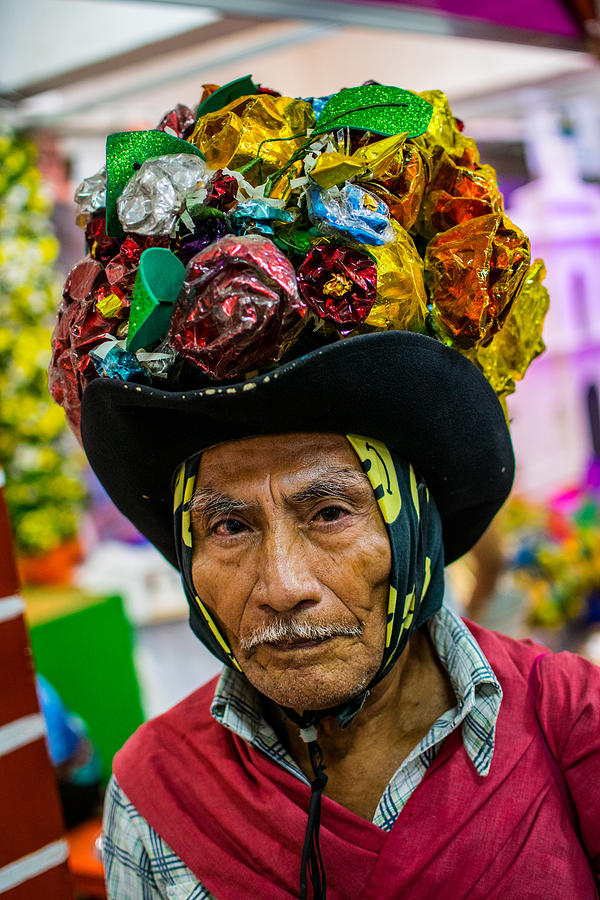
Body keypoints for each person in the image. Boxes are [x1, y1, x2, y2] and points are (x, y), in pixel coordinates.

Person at [49, 78, 600, 898]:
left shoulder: (572, 728)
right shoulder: (159, 795)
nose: (283, 588)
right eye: (229, 529)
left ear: (415, 526)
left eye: (331, 511)